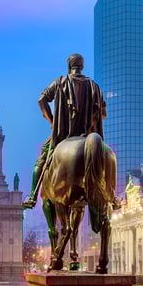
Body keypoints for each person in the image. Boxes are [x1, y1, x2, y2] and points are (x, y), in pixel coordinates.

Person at [22, 53, 106, 209]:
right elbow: (103, 113)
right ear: (82, 66)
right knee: (104, 159)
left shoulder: (60, 82)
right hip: (88, 134)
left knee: (41, 159)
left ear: (69, 66)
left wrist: (53, 121)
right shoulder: (94, 86)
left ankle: (33, 195)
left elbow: (41, 100)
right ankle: (111, 195)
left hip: (62, 134)